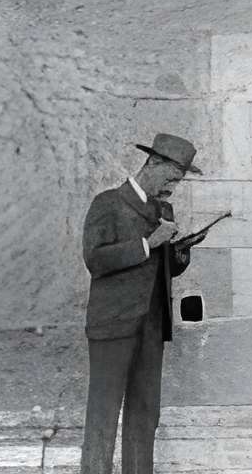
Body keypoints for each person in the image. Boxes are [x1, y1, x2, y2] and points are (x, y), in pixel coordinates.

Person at [81, 131, 199, 474]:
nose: (172, 188)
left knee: (145, 413)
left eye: (177, 182)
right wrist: (149, 244)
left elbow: (164, 271)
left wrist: (179, 254)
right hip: (112, 326)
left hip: (152, 325)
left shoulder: (164, 210)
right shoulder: (107, 203)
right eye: (171, 178)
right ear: (154, 163)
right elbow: (95, 260)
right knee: (103, 413)